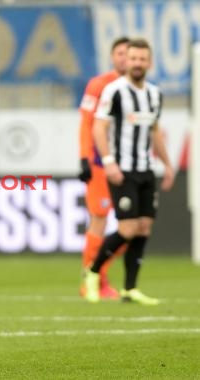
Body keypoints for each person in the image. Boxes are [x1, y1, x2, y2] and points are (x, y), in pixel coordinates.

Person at [83, 38, 174, 305]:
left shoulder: (155, 94)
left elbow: (154, 132)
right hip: (122, 170)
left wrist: (167, 164)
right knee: (127, 228)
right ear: (127, 61)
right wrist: (109, 161)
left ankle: (130, 288)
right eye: (133, 59)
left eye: (142, 59)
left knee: (144, 228)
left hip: (146, 169)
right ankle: (93, 271)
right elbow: (99, 127)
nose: (137, 63)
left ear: (149, 62)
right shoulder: (115, 91)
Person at [78, 37, 131, 299]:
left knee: (133, 226)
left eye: (127, 53)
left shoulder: (140, 88)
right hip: (100, 164)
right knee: (98, 219)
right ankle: (93, 280)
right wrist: (84, 158)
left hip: (130, 165)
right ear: (112, 57)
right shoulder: (99, 85)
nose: (124, 58)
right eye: (119, 53)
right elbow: (87, 123)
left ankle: (99, 273)